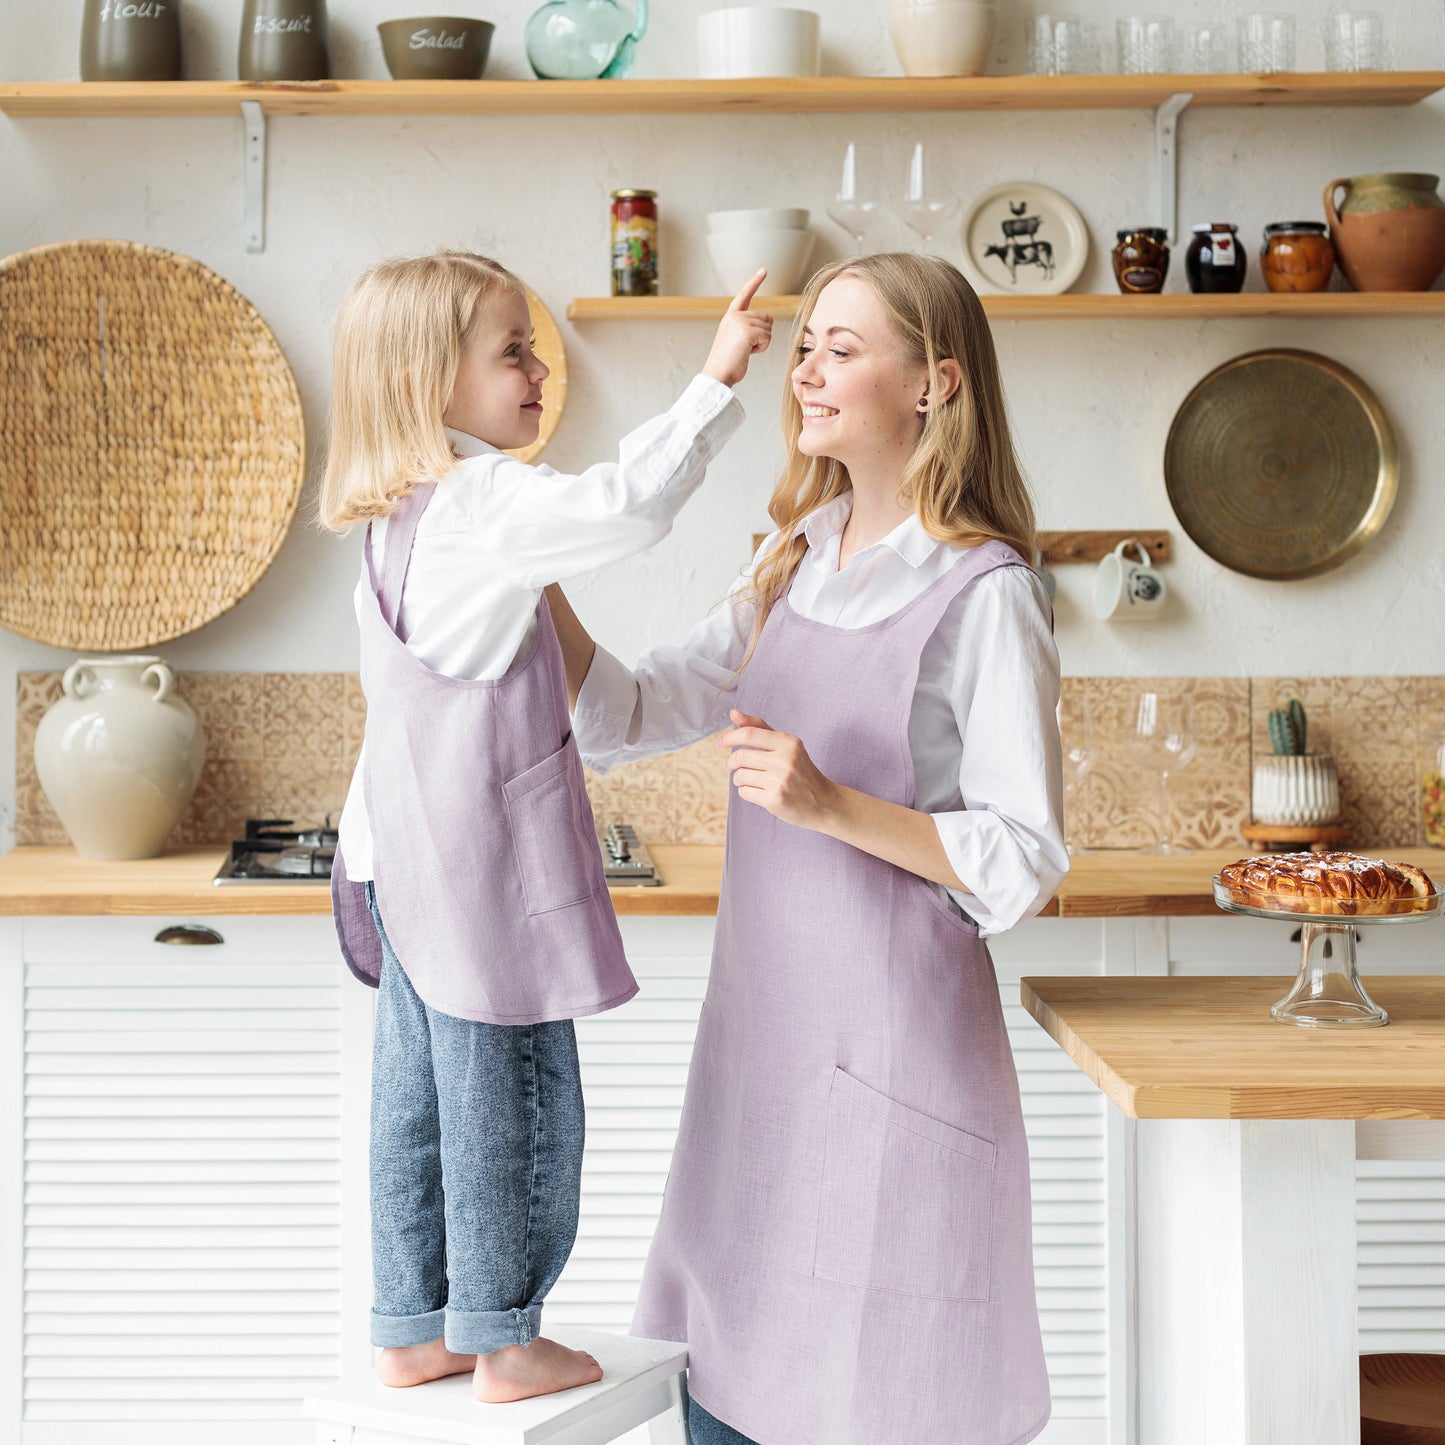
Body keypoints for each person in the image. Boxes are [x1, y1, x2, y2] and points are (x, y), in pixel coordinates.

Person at [550, 252, 1067, 1443]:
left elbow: (1021, 855)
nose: (807, 371)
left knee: (873, 1399)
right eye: (805, 347)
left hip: (896, 1070)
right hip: (761, 1067)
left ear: (934, 383)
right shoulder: (790, 555)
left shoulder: (986, 591)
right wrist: (529, 575)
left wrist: (831, 805)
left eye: (843, 347)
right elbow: (624, 718)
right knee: (727, 1393)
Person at [317, 250, 772, 1404]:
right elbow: (626, 504)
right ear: (431, 378)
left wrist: (739, 619)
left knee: (418, 1103)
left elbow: (601, 708)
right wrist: (715, 381)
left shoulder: (396, 523)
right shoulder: (481, 505)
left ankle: (417, 1325)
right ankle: (507, 1338)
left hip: (388, 862)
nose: (536, 369)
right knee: (513, 1097)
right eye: (511, 349)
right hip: (470, 870)